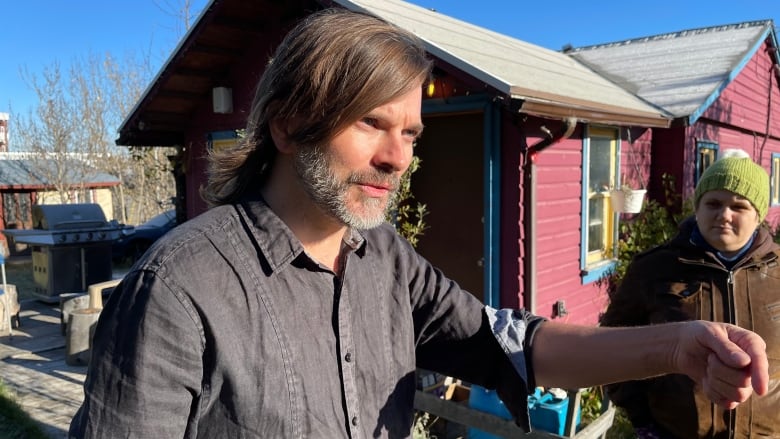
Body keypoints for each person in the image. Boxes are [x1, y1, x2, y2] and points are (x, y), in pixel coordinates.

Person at [69, 9, 768, 438]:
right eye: (371, 122)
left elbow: (519, 347)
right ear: (287, 125)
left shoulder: (387, 263)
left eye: (411, 132)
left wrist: (677, 347)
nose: (397, 156)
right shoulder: (182, 287)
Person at [600, 149, 779, 438]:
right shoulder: (655, 269)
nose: (724, 215)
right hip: (673, 432)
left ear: (758, 215)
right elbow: (614, 347)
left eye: (739, 206)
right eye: (714, 203)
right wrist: (643, 420)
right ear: (698, 208)